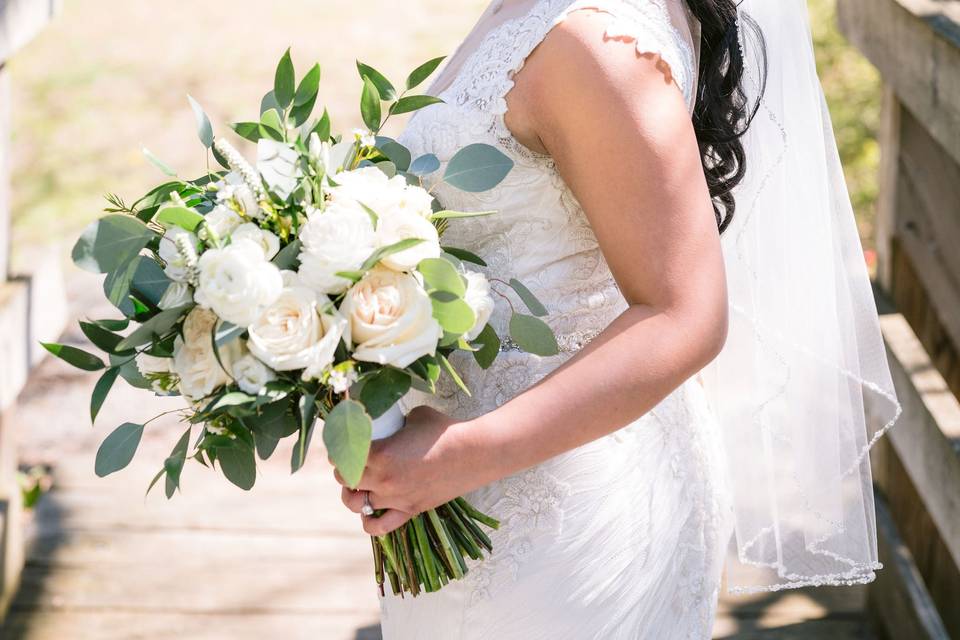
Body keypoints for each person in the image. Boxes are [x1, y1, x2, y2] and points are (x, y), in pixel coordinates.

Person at [338, 1, 902, 637]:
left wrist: (460, 455)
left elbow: (685, 314)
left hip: (559, 507)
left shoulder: (598, 42)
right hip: (459, 489)